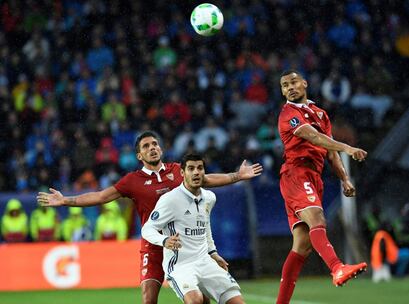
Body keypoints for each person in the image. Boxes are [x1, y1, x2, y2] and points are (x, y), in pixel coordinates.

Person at [37, 130, 262, 304]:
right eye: (146, 146)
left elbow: (207, 179)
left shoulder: (177, 170)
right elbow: (101, 196)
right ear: (139, 155)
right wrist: (66, 200)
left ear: (161, 149)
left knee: (199, 299)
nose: (152, 148)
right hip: (153, 245)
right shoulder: (132, 181)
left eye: (155, 144)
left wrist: (237, 176)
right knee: (148, 298)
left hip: (183, 247)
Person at [276, 70, 368, 303]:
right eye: (285, 85)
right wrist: (347, 147)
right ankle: (337, 268)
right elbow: (314, 137)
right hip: (296, 173)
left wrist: (344, 178)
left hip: (313, 176)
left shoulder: (320, 113)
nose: (290, 88)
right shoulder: (288, 113)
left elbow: (330, 152)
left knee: (302, 246)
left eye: (294, 82)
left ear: (305, 83)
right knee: (317, 220)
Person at [142, 153, 245, 304]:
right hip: (180, 266)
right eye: (191, 168)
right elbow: (147, 229)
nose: (196, 172)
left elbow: (205, 226)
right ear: (183, 173)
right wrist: (164, 240)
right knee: (196, 300)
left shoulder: (209, 197)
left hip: (205, 261)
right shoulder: (170, 200)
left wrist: (213, 252)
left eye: (200, 168)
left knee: (237, 302)